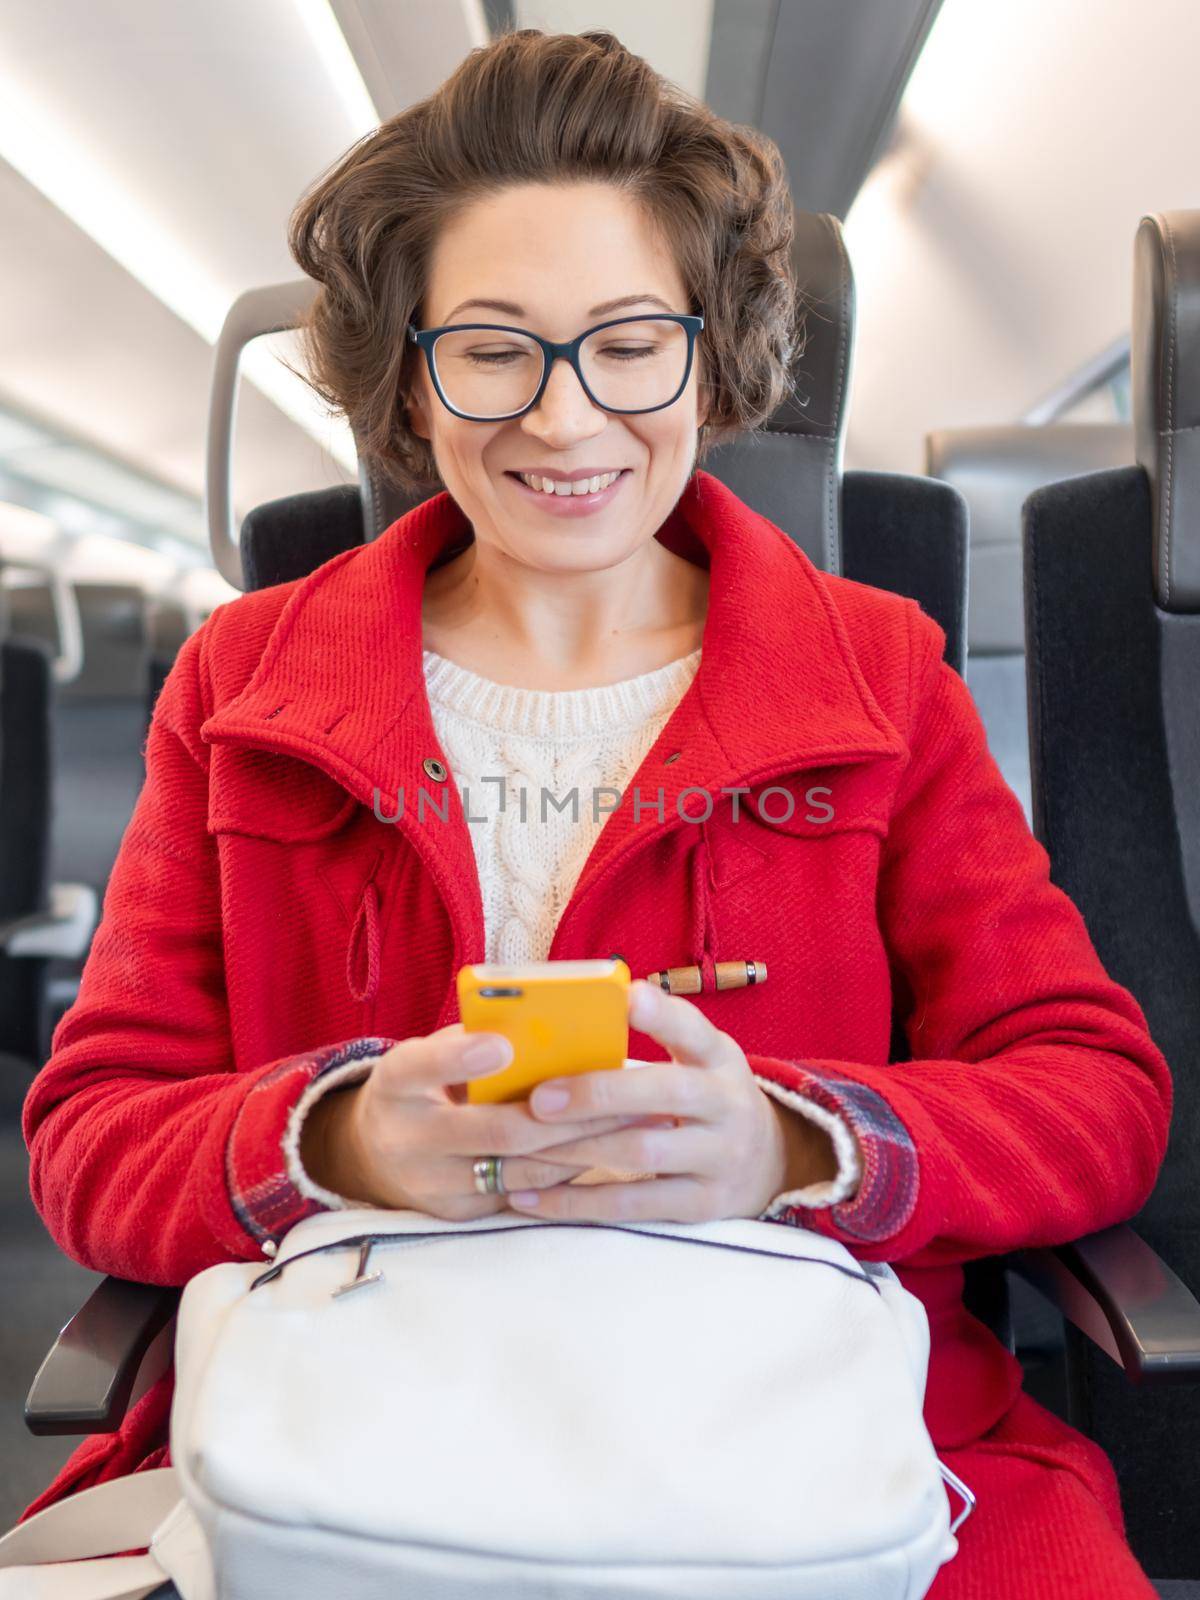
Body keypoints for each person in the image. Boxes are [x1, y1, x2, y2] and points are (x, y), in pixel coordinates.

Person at [19, 26, 1171, 1599]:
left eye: (631, 343)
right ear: (406, 376)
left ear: (713, 354)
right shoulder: (245, 682)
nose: (566, 420)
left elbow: (1094, 1095)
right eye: (492, 349)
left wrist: (789, 1141)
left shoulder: (877, 672)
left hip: (804, 1432)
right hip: (355, 1426)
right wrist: (335, 1138)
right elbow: (91, 1138)